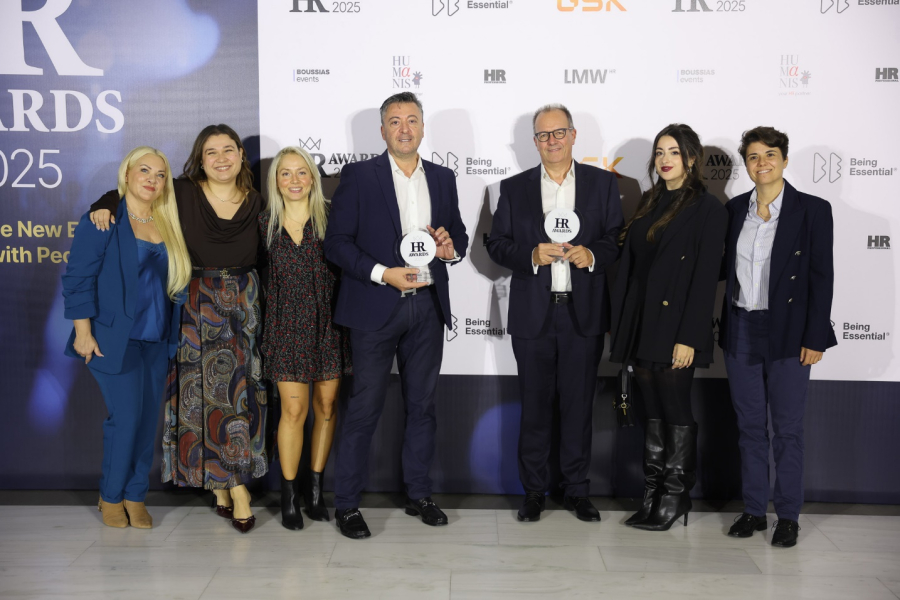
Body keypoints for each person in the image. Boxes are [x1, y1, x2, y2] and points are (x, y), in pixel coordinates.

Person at [88, 125, 268, 534]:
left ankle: (224, 485)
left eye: (228, 150)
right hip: (195, 303)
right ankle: (234, 488)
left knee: (239, 395)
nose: (221, 158)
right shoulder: (182, 192)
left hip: (245, 305)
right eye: (211, 152)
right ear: (200, 159)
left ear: (241, 155)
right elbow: (134, 193)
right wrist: (104, 202)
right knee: (204, 397)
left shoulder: (256, 200)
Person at [323, 92, 468, 539]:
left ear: (423, 127)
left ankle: (419, 494)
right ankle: (347, 504)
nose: (404, 129)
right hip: (375, 306)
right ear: (382, 130)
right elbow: (337, 243)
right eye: (395, 121)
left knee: (423, 407)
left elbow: (459, 237)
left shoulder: (442, 177)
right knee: (364, 407)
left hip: (427, 305)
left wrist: (450, 249)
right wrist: (383, 273)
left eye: (412, 120)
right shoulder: (359, 176)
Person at [487, 104, 624, 523]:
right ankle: (533, 492)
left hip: (583, 315)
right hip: (533, 315)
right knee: (534, 408)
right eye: (544, 135)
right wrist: (530, 254)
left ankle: (577, 491)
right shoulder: (514, 188)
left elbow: (616, 238)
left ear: (573, 135)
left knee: (579, 408)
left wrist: (591, 254)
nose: (552, 141)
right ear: (534, 142)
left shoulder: (603, 184)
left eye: (559, 132)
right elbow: (497, 244)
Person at [719, 126, 836, 548]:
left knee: (787, 429)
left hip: (789, 332)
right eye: (753, 156)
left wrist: (816, 337)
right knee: (750, 427)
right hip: (741, 327)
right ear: (746, 164)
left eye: (770, 154)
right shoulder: (734, 210)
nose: (762, 163)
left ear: (784, 160)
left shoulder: (813, 210)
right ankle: (754, 510)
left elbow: (822, 277)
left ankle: (787, 516)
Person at [63, 147, 191, 529]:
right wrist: (83, 333)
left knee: (147, 421)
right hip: (111, 340)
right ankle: (111, 495)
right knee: (127, 419)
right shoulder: (102, 220)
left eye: (160, 174)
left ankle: (136, 495)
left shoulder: (168, 222)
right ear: (127, 174)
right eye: (144, 170)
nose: (152, 179)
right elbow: (78, 279)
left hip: (156, 338)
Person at [609, 123, 727, 531]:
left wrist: (689, 338)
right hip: (642, 321)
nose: (664, 159)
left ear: (691, 158)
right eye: (659, 152)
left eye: (674, 152)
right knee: (654, 412)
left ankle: (675, 496)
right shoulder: (650, 200)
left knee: (676, 411)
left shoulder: (709, 209)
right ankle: (653, 494)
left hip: (677, 325)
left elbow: (705, 278)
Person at [259, 146, 351, 530]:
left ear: (313, 178)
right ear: (276, 180)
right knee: (293, 412)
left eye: (302, 172)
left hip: (329, 325)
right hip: (285, 328)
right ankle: (289, 496)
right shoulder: (263, 223)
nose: (294, 180)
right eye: (286, 173)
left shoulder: (334, 217)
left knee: (326, 406)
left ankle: (315, 492)